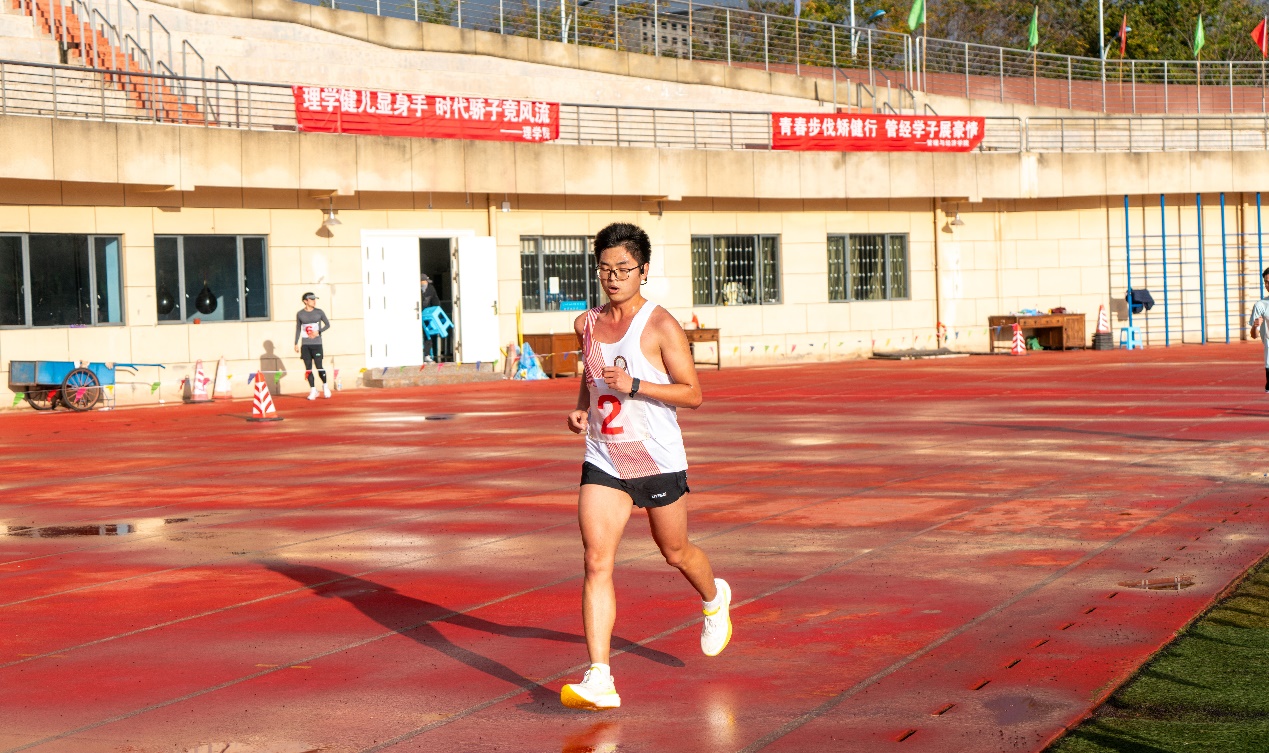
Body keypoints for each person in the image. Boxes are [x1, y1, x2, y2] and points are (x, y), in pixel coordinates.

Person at [559, 222, 731, 711]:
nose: (613, 278)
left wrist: (635, 385)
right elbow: (592, 375)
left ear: (643, 270)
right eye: (604, 269)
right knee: (596, 561)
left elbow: (693, 394)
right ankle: (600, 677)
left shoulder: (661, 326)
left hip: (654, 455)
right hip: (605, 454)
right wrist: (582, 408)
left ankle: (714, 598)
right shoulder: (586, 324)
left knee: (674, 551)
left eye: (623, 269)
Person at [294, 292, 331, 400]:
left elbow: (327, 324)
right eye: (311, 299)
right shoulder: (300, 314)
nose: (314, 301)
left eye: (315, 299)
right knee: (308, 368)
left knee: (319, 366)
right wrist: (296, 343)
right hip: (305, 345)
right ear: (305, 301)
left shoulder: (319, 312)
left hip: (317, 344)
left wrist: (318, 332)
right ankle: (313, 390)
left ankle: (325, 386)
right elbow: (298, 328)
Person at [1250, 268, 1269, 392]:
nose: (1268, 285)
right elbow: (1254, 335)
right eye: (1266, 282)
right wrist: (1255, 326)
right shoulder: (1260, 305)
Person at [420, 274, 441, 362]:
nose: (426, 284)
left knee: (427, 334)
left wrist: (436, 311)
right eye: (424, 282)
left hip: (426, 314)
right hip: (417, 314)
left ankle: (427, 355)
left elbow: (435, 300)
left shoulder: (430, 288)